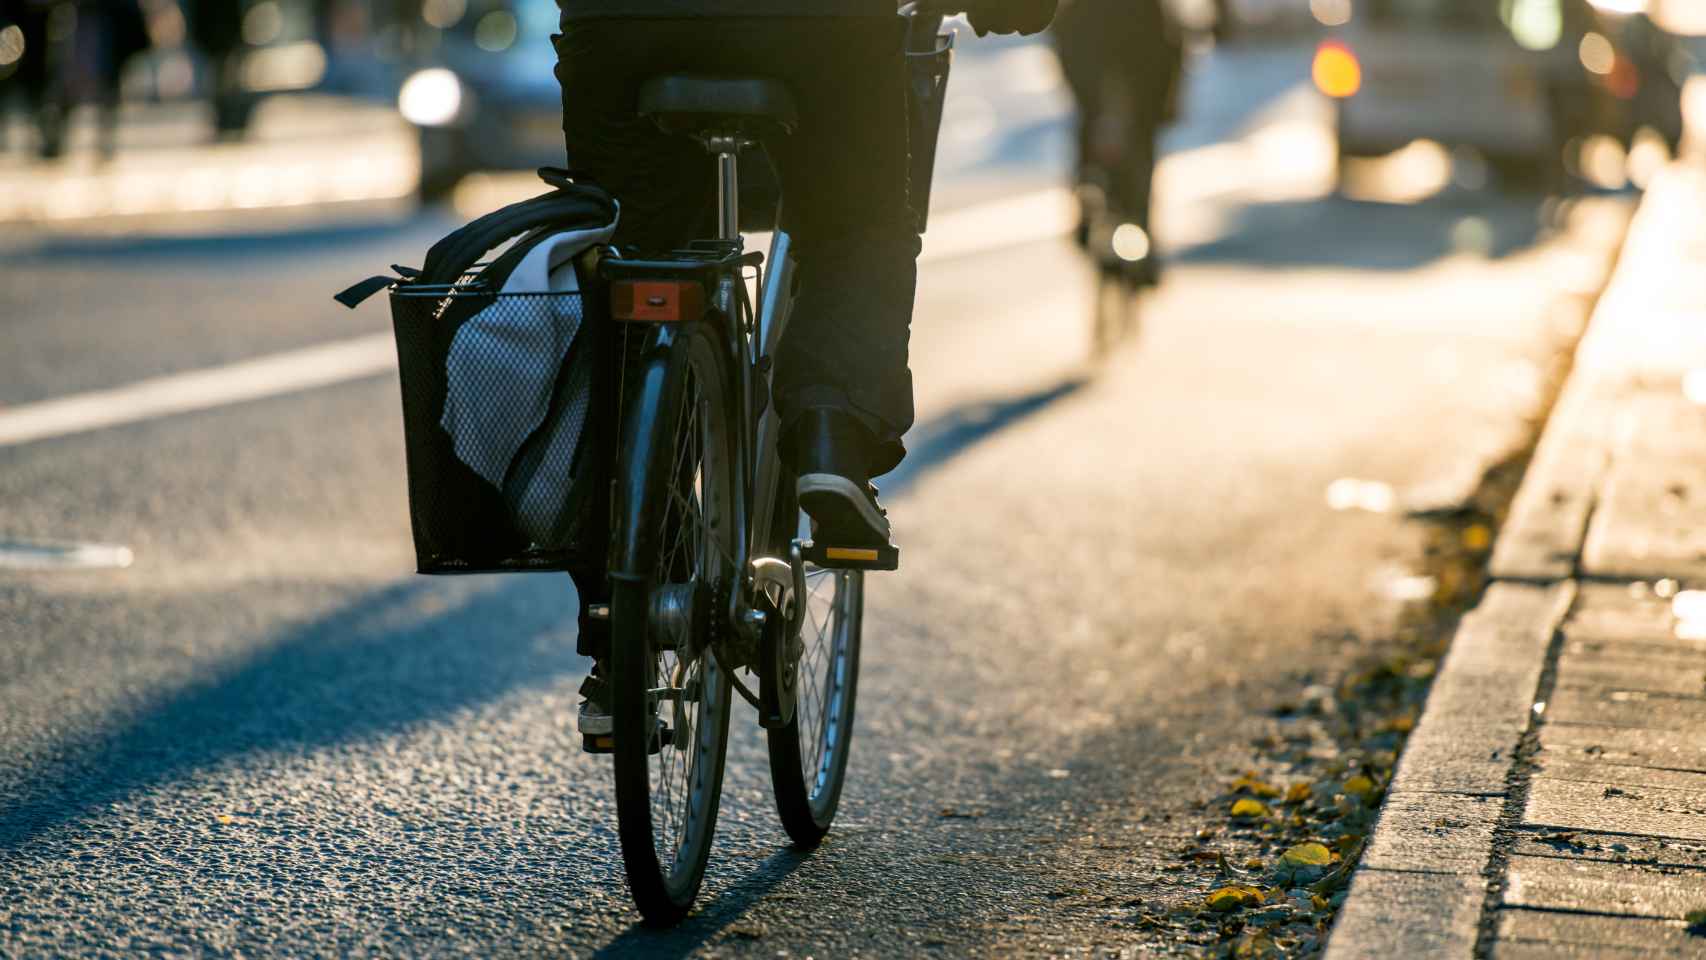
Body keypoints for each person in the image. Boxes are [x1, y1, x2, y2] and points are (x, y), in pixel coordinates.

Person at [554, 0, 1056, 735]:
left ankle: (617, 617)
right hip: (818, 29)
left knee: (629, 268)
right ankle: (832, 429)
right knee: (859, 225)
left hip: (620, 30)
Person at [1053, 0, 1182, 286]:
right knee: (1101, 129)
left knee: (1128, 137)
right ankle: (1088, 206)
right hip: (1103, 48)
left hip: (1132, 60)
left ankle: (1131, 223)